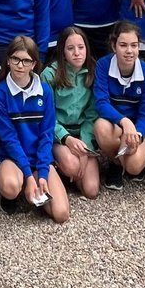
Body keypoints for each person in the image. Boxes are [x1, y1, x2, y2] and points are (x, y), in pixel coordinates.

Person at [0, 37, 69, 223]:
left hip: (39, 158)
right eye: (15, 59)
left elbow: (47, 134)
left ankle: (30, 185)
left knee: (61, 214)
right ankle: (11, 186)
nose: (20, 65)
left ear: (34, 64)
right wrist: (27, 174)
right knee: (10, 186)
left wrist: (42, 172)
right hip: (13, 158)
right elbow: (9, 139)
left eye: (26, 61)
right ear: (8, 60)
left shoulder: (45, 91)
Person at [93, 21, 145, 189]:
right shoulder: (103, 65)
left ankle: (130, 162)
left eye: (134, 45)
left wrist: (138, 134)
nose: (129, 51)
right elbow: (101, 102)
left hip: (136, 127)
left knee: (134, 167)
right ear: (114, 46)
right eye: (123, 45)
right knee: (100, 127)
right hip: (115, 124)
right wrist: (124, 121)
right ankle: (117, 164)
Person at [42, 27, 100, 198]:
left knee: (91, 190)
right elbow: (46, 117)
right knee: (72, 165)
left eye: (81, 47)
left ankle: (70, 174)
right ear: (62, 51)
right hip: (59, 136)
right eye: (70, 48)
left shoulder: (93, 71)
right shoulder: (50, 74)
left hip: (82, 134)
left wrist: (84, 145)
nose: (77, 53)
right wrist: (67, 139)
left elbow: (92, 114)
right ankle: (59, 168)